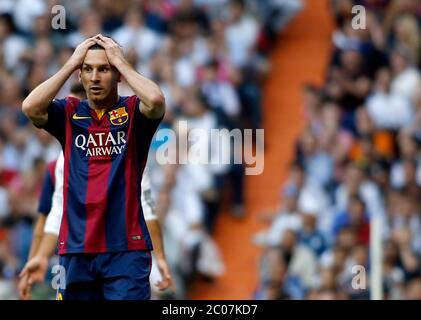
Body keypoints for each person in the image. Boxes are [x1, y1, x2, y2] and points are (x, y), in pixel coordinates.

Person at [21, 34, 166, 300]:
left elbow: (156, 101)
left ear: (118, 74)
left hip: (126, 249)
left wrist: (121, 63)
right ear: (80, 74)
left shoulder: (134, 112)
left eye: (104, 69)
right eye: (87, 69)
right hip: (76, 250)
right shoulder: (69, 113)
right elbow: (30, 107)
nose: (95, 77)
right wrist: (70, 64)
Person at [19, 152, 173, 299]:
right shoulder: (129, 149)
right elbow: (146, 207)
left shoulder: (62, 159)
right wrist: (160, 256)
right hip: (113, 254)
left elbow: (54, 214)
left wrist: (40, 256)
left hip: (85, 255)